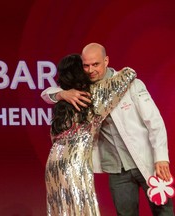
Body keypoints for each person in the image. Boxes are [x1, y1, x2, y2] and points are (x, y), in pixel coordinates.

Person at [42, 43, 174, 216]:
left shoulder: (129, 83)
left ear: (106, 61)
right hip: (116, 169)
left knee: (163, 211)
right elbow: (46, 94)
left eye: (95, 64)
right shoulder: (84, 90)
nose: (90, 70)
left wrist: (161, 158)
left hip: (145, 159)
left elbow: (154, 122)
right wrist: (62, 94)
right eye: (86, 65)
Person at [44, 53, 136, 215]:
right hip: (75, 162)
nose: (90, 70)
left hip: (53, 162)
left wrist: (61, 93)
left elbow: (46, 94)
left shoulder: (63, 100)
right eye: (85, 67)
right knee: (81, 207)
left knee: (62, 209)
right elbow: (129, 74)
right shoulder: (94, 94)